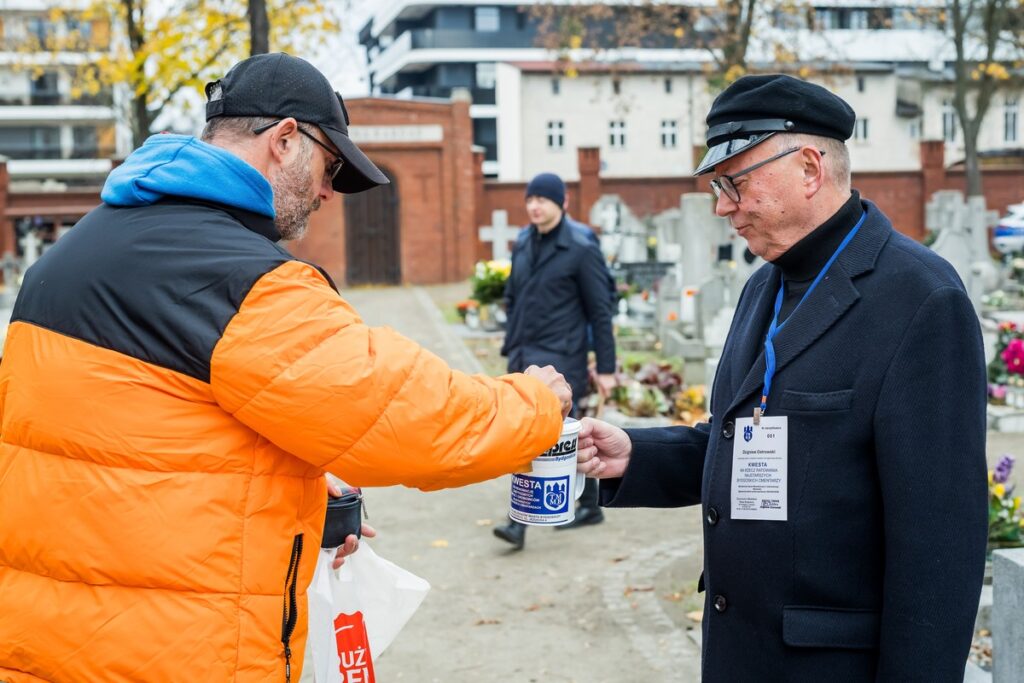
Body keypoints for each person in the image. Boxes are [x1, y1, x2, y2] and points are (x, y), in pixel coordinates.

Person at [0, 53, 573, 683]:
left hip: (44, 642)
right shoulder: (242, 279)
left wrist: (288, 482)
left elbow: (112, 437)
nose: (328, 193)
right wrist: (534, 404)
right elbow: (406, 419)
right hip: (177, 651)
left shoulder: (70, 255)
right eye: (330, 168)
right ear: (285, 139)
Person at [576, 74, 988, 680]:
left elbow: (939, 542)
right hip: (742, 653)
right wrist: (637, 455)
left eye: (735, 183)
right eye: (718, 186)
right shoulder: (763, 286)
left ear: (810, 169)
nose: (722, 206)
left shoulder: (919, 298)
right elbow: (747, 441)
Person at [493, 173, 616, 550]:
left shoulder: (580, 247)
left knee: (534, 435)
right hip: (524, 354)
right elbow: (514, 295)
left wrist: (607, 368)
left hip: (561, 358)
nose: (535, 206)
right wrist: (510, 342)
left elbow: (600, 311)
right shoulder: (524, 241)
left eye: (542, 200)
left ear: (561, 202)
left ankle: (518, 522)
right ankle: (590, 505)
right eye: (530, 199)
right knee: (563, 434)